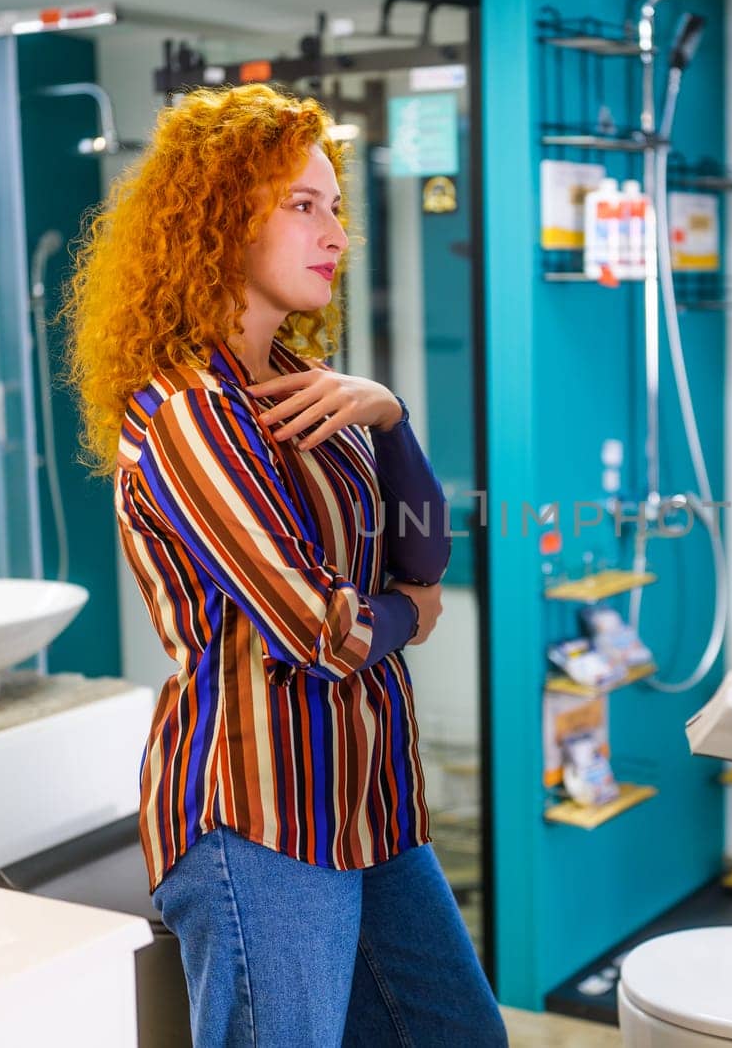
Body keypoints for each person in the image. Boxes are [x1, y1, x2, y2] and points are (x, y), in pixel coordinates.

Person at [67, 84, 506, 1046]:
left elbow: (424, 549)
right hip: (257, 814)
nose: (335, 234)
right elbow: (324, 629)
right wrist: (413, 616)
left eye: (336, 208)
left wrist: (390, 417)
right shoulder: (190, 412)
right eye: (302, 206)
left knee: (463, 1034)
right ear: (220, 223)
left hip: (369, 800)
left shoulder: (311, 388)